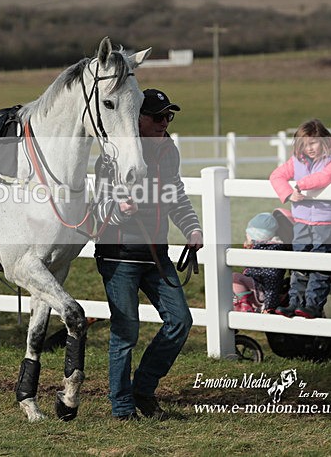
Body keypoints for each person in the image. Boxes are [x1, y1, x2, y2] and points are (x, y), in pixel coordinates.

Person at [94, 88, 203, 421]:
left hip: (157, 254)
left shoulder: (168, 150)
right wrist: (119, 209)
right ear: (137, 118)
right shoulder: (112, 155)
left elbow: (176, 194)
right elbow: (98, 206)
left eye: (168, 116)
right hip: (119, 255)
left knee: (180, 320)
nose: (164, 122)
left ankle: (142, 387)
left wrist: (192, 229)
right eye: (157, 116)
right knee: (126, 331)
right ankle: (122, 407)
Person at [269, 118, 331, 319]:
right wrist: (288, 193)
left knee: (319, 265)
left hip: (326, 221)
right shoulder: (297, 161)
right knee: (299, 263)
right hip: (301, 220)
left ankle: (313, 305)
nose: (309, 148)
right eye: (304, 144)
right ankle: (294, 303)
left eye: (313, 143)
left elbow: (325, 177)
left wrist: (299, 184)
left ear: (324, 141)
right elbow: (276, 176)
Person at [232, 212, 290, 313]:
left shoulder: (265, 252)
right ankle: (242, 303)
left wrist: (269, 305)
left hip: (261, 292)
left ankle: (244, 304)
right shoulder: (273, 249)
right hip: (263, 292)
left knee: (234, 278)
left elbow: (272, 279)